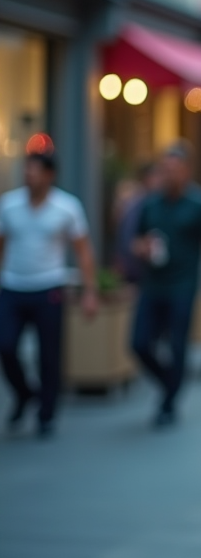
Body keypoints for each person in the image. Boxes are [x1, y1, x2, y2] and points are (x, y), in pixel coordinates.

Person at [130, 142, 201, 427]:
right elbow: (136, 240)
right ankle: (168, 383)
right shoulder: (150, 203)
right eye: (165, 169)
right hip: (152, 284)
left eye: (174, 169)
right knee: (138, 343)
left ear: (186, 171)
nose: (169, 174)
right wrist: (142, 249)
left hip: (183, 286)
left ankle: (168, 402)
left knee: (177, 345)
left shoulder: (199, 204)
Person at [0, 152, 98, 437]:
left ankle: (46, 413)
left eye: (35, 171)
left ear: (49, 175)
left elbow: (83, 251)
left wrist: (90, 291)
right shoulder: (9, 205)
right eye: (26, 170)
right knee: (5, 346)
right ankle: (24, 393)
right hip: (12, 286)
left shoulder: (67, 207)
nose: (29, 175)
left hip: (49, 287)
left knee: (49, 354)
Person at [114, 161, 160, 284]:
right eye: (156, 176)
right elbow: (128, 239)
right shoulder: (137, 205)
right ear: (146, 179)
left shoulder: (158, 202)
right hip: (138, 269)